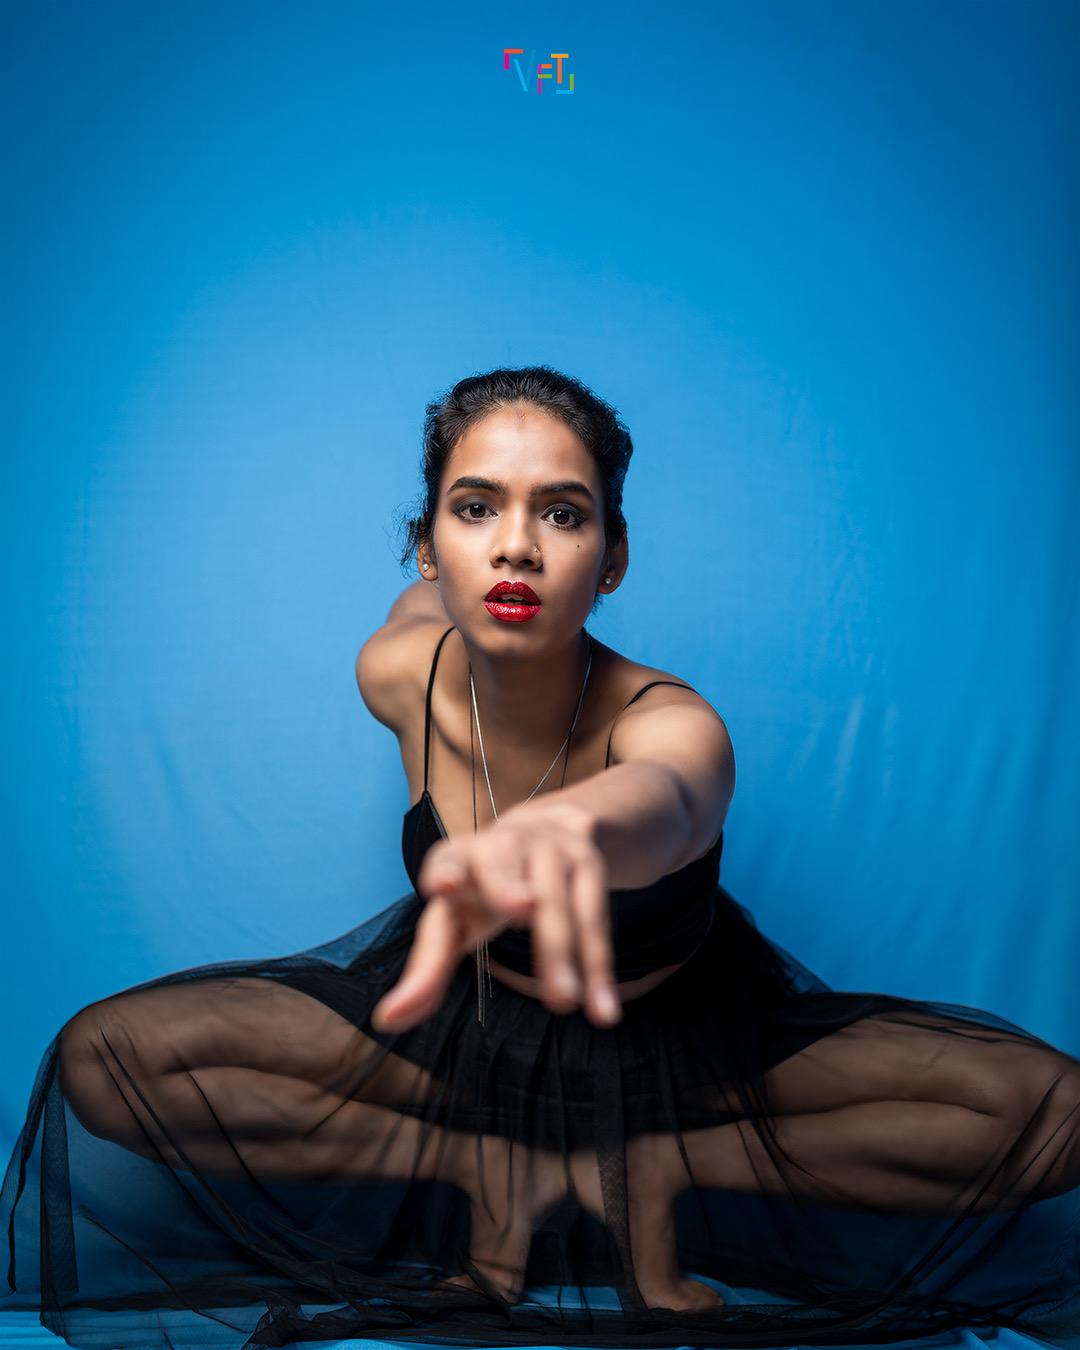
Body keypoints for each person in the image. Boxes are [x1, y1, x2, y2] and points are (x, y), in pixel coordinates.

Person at [3, 366, 1080, 1350]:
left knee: (1060, 1116)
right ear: (428, 544)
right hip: (466, 1031)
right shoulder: (401, 674)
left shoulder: (672, 722)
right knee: (105, 1060)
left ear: (612, 558)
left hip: (681, 1050)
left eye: (562, 514)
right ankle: (485, 1166)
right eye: (476, 508)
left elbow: (670, 796)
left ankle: (658, 1171)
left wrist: (573, 827)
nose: (515, 546)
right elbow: (420, 612)